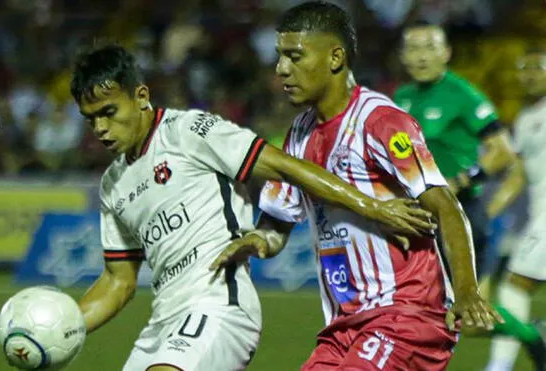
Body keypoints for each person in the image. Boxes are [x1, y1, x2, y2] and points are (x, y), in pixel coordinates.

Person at [70, 44, 434, 371]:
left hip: (218, 306)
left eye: (108, 112)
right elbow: (117, 283)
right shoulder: (113, 184)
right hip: (163, 322)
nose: (100, 128)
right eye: (91, 119)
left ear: (141, 96)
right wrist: (57, 327)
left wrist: (372, 207)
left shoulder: (189, 132)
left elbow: (288, 167)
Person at [211, 2, 501, 370]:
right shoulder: (299, 135)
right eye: (280, 57)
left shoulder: (380, 121)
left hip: (405, 315)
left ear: (335, 57)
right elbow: (277, 226)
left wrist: (466, 292)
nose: (282, 69)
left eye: (295, 56)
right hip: (343, 326)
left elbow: (445, 205)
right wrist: (254, 241)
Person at [395, 21, 546, 369]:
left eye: (429, 48)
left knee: (456, 306)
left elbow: (502, 152)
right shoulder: (401, 97)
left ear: (446, 53)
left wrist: (460, 182)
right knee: (434, 306)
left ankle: (530, 336)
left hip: (459, 212)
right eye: (413, 49)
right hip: (421, 212)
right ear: (402, 56)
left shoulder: (462, 94)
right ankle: (530, 335)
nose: (421, 57)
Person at [483, 48, 546, 371]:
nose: (531, 75)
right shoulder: (525, 118)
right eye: (526, 69)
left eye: (538, 67)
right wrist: (489, 209)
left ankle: (500, 366)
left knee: (514, 285)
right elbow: (518, 175)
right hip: (538, 217)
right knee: (515, 285)